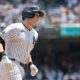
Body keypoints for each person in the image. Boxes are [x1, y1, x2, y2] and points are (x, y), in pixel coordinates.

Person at [0, 5, 44, 80]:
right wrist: (3, 56)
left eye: (39, 16)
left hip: (21, 67)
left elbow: (26, 51)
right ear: (28, 14)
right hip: (10, 63)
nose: (38, 18)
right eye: (36, 15)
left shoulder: (35, 34)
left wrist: (30, 64)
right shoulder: (15, 27)